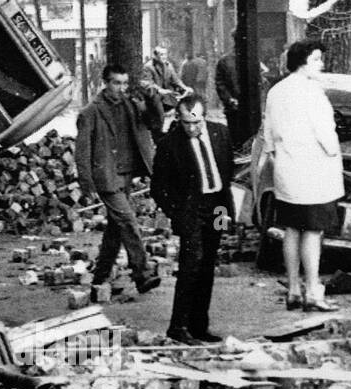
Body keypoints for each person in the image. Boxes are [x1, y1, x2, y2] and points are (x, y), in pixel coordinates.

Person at [258, 39, 344, 312]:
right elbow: (326, 135)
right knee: (313, 231)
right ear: (304, 61)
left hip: (287, 170)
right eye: (317, 59)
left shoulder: (276, 91)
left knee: (292, 229)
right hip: (313, 171)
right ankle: (313, 291)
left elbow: (268, 134)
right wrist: (333, 154)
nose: (321, 64)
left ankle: (294, 289)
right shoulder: (312, 92)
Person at [151, 94, 234, 344]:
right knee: (191, 265)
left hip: (217, 208)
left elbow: (227, 172)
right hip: (190, 210)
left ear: (205, 118)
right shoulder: (170, 144)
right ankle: (178, 326)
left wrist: (226, 214)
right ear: (179, 118)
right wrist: (177, 214)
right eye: (186, 122)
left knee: (209, 263)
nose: (191, 128)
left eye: (196, 122)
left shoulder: (220, 133)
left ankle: (200, 326)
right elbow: (158, 187)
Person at [75, 64, 164, 295]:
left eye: (124, 83)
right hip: (105, 177)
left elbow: (155, 122)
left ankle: (100, 276)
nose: (121, 88)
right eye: (116, 83)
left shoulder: (131, 105)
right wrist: (87, 184)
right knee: (128, 221)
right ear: (106, 82)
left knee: (116, 229)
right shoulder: (90, 112)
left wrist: (152, 97)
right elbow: (82, 151)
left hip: (126, 174)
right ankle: (142, 274)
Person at [143, 46, 190, 124]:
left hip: (168, 96)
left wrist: (185, 87)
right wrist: (160, 90)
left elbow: (176, 80)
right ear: (155, 55)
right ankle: (160, 129)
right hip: (155, 96)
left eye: (165, 54)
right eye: (161, 54)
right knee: (160, 114)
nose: (164, 57)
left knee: (184, 106)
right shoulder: (148, 67)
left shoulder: (168, 65)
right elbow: (149, 83)